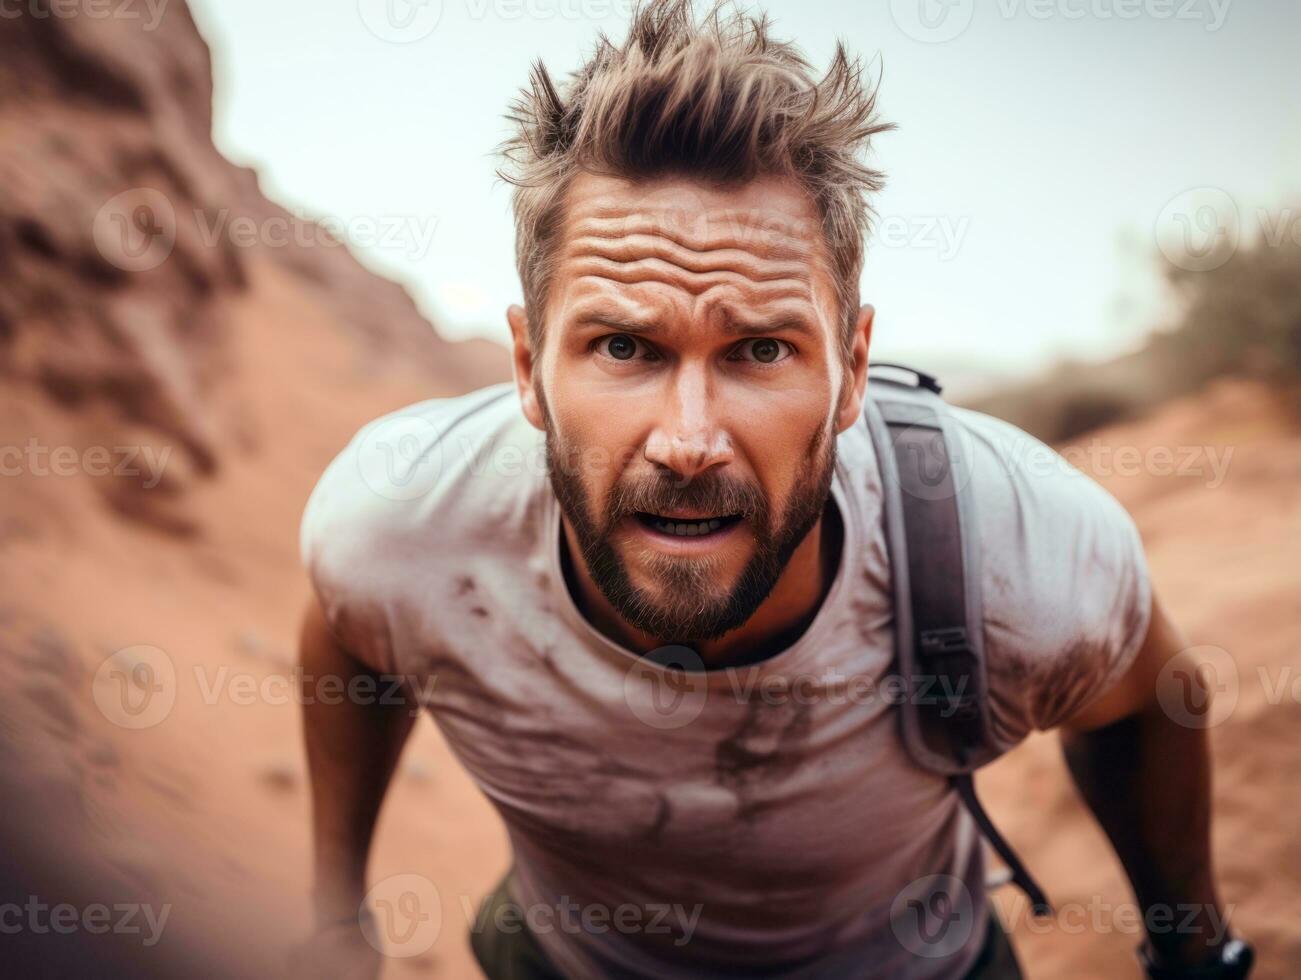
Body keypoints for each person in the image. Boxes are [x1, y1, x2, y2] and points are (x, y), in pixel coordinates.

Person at [295, 2, 1249, 977]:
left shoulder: (1017, 545)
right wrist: (335, 914)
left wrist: (1193, 947)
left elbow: (1143, 696)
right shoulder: (403, 518)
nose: (689, 441)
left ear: (853, 367)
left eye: (760, 348)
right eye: (623, 345)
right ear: (527, 364)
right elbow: (347, 629)